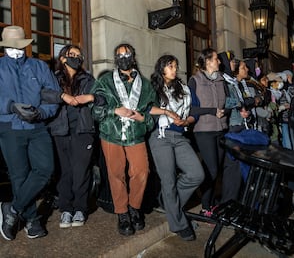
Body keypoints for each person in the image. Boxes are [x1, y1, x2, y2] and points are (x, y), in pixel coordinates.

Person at [0, 25, 60, 240]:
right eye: (11, 47)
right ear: (5, 47)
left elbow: (54, 94)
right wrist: (10, 107)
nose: (16, 51)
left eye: (19, 47)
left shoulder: (38, 66)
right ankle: (32, 221)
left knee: (45, 169)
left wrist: (41, 112)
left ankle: (13, 209)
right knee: (19, 176)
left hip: (37, 128)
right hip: (10, 129)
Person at [90, 43, 157, 236]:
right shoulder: (104, 81)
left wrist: (144, 119)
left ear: (133, 57)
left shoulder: (145, 84)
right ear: (115, 59)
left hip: (136, 133)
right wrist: (114, 110)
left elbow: (153, 111)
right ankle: (122, 213)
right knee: (115, 173)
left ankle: (134, 207)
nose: (124, 58)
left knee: (142, 171)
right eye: (119, 55)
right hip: (111, 133)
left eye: (127, 54)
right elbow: (94, 109)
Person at [41, 45, 105, 228]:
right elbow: (44, 94)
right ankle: (66, 210)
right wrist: (62, 96)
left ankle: (80, 209)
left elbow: (103, 98)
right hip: (60, 130)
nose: (76, 58)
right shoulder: (53, 78)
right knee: (64, 172)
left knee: (81, 171)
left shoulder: (88, 78)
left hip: (83, 131)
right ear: (62, 58)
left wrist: (91, 97)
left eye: (79, 55)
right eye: (72, 55)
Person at [148, 55, 205, 241]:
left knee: (197, 174)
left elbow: (194, 111)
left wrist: (186, 120)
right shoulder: (152, 87)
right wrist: (167, 112)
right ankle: (179, 224)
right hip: (160, 135)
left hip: (180, 135)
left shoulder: (185, 89)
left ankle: (168, 202)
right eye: (170, 66)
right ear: (161, 68)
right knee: (169, 180)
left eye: (175, 66)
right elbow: (145, 108)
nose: (174, 69)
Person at [188, 48, 228, 216]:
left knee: (216, 169)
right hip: (203, 130)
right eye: (216, 59)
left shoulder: (221, 80)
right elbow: (191, 108)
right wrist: (212, 111)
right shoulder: (195, 80)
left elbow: (228, 101)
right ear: (208, 61)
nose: (219, 62)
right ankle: (205, 206)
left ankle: (210, 202)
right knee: (210, 169)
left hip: (221, 129)